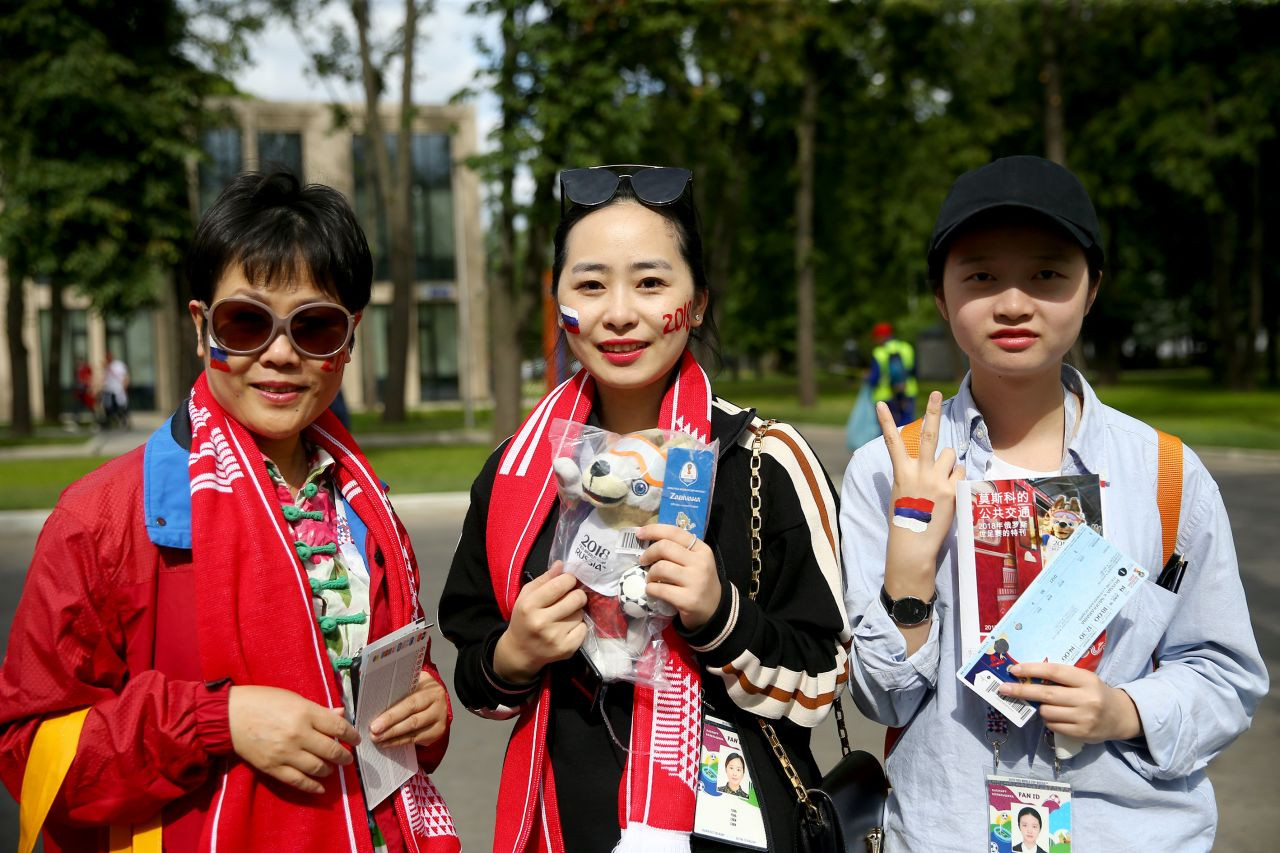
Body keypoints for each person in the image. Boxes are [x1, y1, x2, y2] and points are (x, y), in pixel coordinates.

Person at [0, 171, 459, 852]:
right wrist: (217, 720)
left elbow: (378, 671)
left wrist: (424, 702)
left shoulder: (367, 503)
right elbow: (31, 754)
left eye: (315, 325)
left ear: (349, 337)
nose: (279, 353)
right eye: (246, 322)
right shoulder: (100, 519)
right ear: (200, 325)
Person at [840, 156, 1266, 850]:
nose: (1013, 302)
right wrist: (911, 586)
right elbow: (882, 698)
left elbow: (1225, 673)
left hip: (1129, 832)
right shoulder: (886, 473)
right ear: (943, 297)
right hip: (950, 830)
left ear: (1091, 288)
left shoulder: (1165, 473)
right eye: (980, 275)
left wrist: (1123, 708)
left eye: (1046, 274)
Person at [440, 164, 849, 852]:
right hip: (564, 828)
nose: (620, 312)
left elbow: (823, 681)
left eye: (652, 282)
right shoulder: (519, 470)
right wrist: (514, 652)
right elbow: (477, 679)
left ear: (697, 302)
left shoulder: (766, 461)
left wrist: (721, 614)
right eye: (591, 284)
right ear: (559, 299)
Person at [865, 321, 917, 427]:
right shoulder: (907, 348)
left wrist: (867, 377)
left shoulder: (879, 352)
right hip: (907, 392)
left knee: (887, 428)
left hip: (885, 395)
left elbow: (874, 378)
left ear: (882, 337)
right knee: (907, 426)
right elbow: (914, 370)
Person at [100, 351, 130, 428]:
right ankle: (110, 422)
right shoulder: (106, 366)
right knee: (108, 407)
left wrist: (125, 387)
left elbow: (125, 376)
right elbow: (104, 378)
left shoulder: (118, 365)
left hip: (118, 389)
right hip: (108, 390)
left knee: (121, 406)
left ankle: (124, 421)